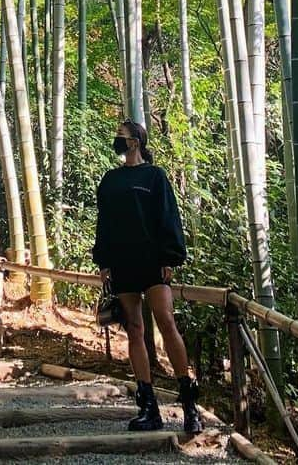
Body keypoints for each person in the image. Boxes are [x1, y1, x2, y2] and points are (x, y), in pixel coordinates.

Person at [92, 119, 202, 434]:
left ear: (136, 142)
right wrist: (103, 261)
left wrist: (171, 256)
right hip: (122, 262)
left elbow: (168, 215)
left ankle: (189, 405)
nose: (117, 140)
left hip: (152, 260)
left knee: (166, 322)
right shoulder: (110, 180)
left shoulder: (155, 176)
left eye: (122, 137)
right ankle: (148, 407)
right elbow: (105, 223)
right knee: (135, 329)